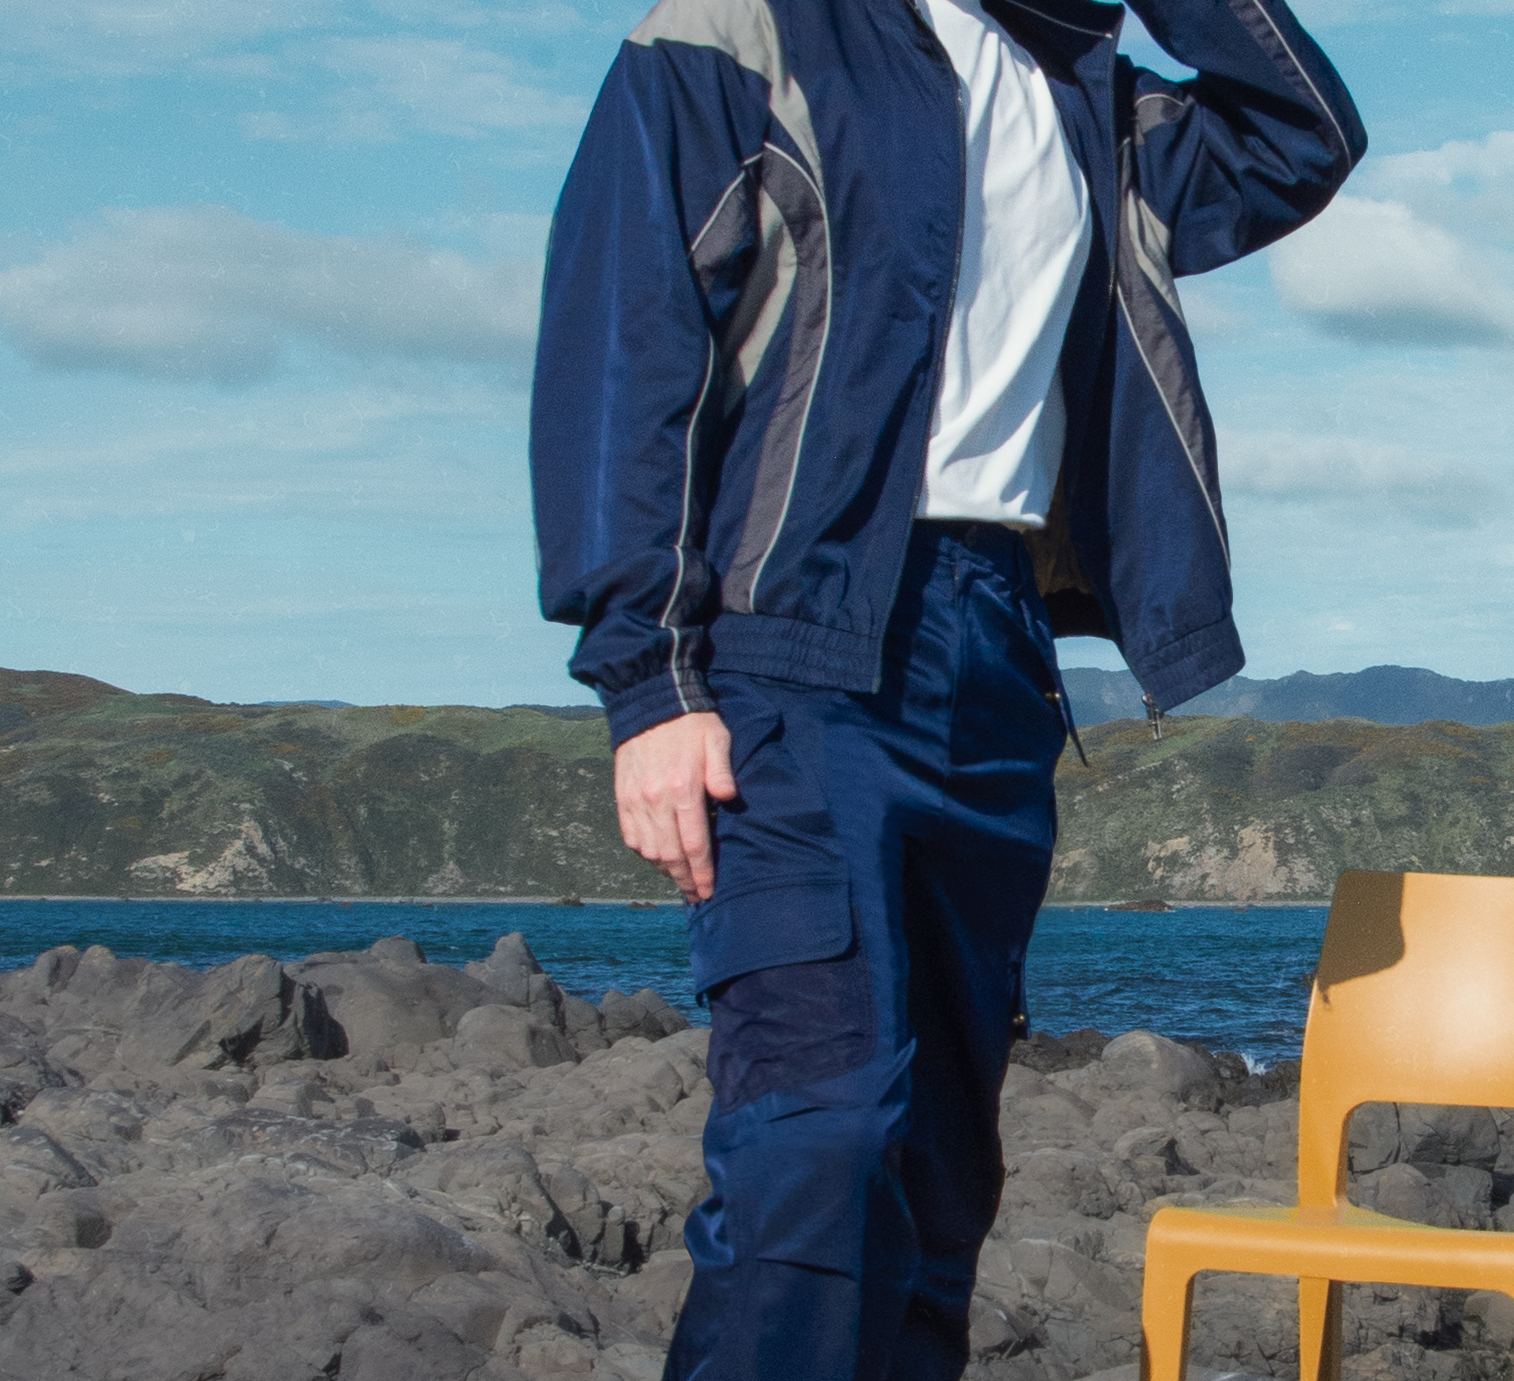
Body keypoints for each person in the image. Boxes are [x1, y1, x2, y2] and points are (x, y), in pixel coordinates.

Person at [529, 0, 1362, 1372]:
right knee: (817, 1136)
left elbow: (1300, 135)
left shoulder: (1087, 88)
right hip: (788, 647)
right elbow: (624, 342)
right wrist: (648, 680)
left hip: (996, 645)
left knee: (938, 1171)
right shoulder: (744, 32)